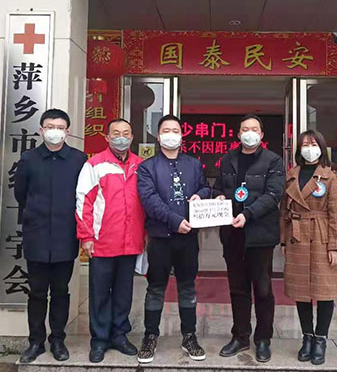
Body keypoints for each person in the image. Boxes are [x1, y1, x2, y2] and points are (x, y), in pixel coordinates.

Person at [14, 109, 87, 364]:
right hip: (36, 235)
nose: (55, 131)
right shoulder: (29, 159)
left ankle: (58, 339)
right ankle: (35, 342)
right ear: (41, 130)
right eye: (50, 126)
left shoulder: (78, 159)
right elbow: (21, 194)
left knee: (60, 291)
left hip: (65, 235)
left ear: (67, 131)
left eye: (60, 127)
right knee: (36, 291)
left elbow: (83, 195)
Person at [136, 114, 211, 363]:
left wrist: (201, 195)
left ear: (181, 135)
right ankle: (150, 336)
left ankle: (189, 336)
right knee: (155, 288)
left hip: (188, 238)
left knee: (187, 287)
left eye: (175, 130)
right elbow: (149, 200)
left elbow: (205, 187)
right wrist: (174, 221)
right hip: (160, 238)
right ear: (158, 137)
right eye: (166, 131)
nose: (171, 135)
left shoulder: (194, 164)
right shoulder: (147, 167)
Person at [213, 114, 285, 363]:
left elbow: (273, 195)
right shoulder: (227, 159)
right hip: (232, 234)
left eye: (254, 129)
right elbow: (218, 187)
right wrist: (218, 196)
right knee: (237, 288)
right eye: (245, 129)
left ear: (261, 135)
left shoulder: (273, 160)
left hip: (260, 235)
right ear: (238, 134)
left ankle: (263, 339)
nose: (250, 133)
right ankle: (240, 336)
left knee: (263, 289)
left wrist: (248, 214)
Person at [75, 118, 146, 363]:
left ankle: (119, 335)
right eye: (116, 133)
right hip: (102, 240)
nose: (121, 137)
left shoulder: (140, 165)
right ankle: (99, 339)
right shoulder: (94, 164)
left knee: (124, 292)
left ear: (132, 137)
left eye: (126, 133)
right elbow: (83, 201)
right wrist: (86, 236)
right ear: (107, 137)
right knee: (100, 292)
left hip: (131, 240)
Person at [280, 130, 337, 366]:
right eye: (305, 144)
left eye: (313, 143)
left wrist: (335, 246)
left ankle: (321, 338)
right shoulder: (292, 175)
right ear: (299, 149)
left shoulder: (330, 177)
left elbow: (336, 214)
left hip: (321, 237)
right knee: (301, 291)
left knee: (325, 290)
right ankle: (307, 336)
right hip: (297, 237)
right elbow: (284, 212)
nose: (309, 148)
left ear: (322, 147)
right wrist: (284, 240)